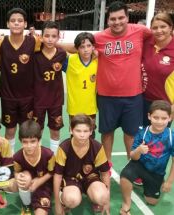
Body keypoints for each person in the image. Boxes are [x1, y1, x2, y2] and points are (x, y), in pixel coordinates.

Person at [94, 1, 151, 166]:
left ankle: (132, 165)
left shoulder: (141, 31)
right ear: (108, 20)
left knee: (131, 134)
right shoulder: (99, 38)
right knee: (106, 133)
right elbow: (77, 47)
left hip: (133, 96)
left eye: (121, 18)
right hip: (106, 96)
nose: (117, 22)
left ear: (127, 17)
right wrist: (51, 45)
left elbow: (161, 37)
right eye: (113, 19)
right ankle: (107, 165)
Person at [0, 8, 42, 153]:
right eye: (13, 21)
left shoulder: (34, 41)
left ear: (25, 24)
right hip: (8, 96)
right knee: (10, 130)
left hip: (28, 96)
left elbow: (51, 50)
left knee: (27, 130)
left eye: (20, 21)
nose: (16, 23)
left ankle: (28, 158)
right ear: (7, 24)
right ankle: (9, 159)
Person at [120, 100, 174, 215]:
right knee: (125, 175)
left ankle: (156, 182)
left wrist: (169, 181)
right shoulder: (142, 133)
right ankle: (126, 204)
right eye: (156, 117)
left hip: (156, 172)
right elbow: (133, 157)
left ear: (170, 118)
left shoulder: (171, 136)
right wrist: (139, 150)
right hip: (139, 165)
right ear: (149, 116)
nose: (159, 122)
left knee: (152, 201)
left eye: (164, 118)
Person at [54, 114, 110, 215]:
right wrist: (57, 203)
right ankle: (65, 200)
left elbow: (105, 173)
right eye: (78, 131)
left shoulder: (97, 147)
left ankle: (93, 197)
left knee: (102, 197)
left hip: (91, 177)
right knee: (72, 200)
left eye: (85, 131)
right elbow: (57, 176)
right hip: (70, 179)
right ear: (71, 130)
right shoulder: (64, 148)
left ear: (91, 131)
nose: (82, 135)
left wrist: (107, 200)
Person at [33, 21, 66, 154]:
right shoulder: (35, 53)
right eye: (47, 36)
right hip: (37, 99)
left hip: (55, 99)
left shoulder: (61, 54)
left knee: (55, 130)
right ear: (41, 36)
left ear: (58, 37)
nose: (50, 39)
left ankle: (54, 158)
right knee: (36, 130)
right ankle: (38, 156)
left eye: (53, 36)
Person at [14, 120, 55, 215]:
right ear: (20, 141)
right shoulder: (17, 157)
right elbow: (16, 171)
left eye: (33, 141)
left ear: (39, 140)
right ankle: (26, 205)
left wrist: (39, 181)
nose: (29, 146)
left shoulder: (48, 155)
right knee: (25, 177)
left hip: (43, 186)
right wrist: (18, 178)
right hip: (27, 185)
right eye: (25, 142)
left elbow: (52, 172)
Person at [142, 13, 174, 126]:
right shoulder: (146, 43)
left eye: (163, 26)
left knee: (158, 141)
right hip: (142, 101)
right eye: (155, 28)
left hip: (164, 105)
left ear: (171, 27)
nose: (159, 30)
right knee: (142, 138)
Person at [63, 32, 97, 138]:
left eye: (88, 46)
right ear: (77, 49)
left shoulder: (98, 61)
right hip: (74, 107)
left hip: (91, 107)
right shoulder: (70, 60)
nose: (86, 49)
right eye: (82, 47)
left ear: (93, 47)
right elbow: (53, 49)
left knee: (90, 135)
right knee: (75, 135)